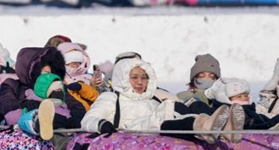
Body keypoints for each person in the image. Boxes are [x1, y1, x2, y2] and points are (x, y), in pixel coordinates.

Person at [81, 58, 232, 143]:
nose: (140, 82)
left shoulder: (152, 99)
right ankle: (204, 126)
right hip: (129, 130)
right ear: (123, 79)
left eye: (144, 77)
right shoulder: (111, 98)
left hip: (157, 129)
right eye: (134, 78)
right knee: (166, 114)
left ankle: (224, 129)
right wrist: (102, 125)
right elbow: (88, 119)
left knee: (188, 105)